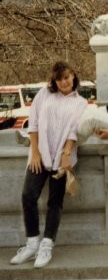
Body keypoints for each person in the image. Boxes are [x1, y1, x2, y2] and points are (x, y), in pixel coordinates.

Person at [10, 61, 88, 268]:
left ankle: (47, 245)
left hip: (62, 157)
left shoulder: (81, 103)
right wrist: (35, 152)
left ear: (73, 76)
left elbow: (74, 130)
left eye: (66, 77)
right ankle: (32, 244)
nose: (63, 82)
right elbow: (33, 123)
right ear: (54, 80)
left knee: (55, 201)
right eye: (59, 79)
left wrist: (66, 154)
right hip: (40, 153)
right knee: (28, 196)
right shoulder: (44, 94)